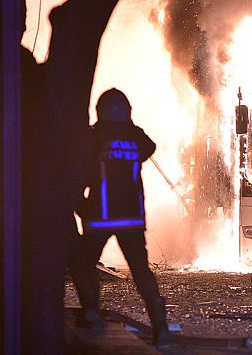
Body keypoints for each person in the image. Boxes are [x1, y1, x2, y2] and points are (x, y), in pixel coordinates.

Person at [71, 88, 171, 346]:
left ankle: (91, 312)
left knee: (84, 265)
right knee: (141, 271)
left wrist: (80, 207)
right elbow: (149, 147)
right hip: (131, 218)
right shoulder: (136, 137)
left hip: (99, 216)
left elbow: (79, 172)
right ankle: (160, 326)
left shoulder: (92, 137)